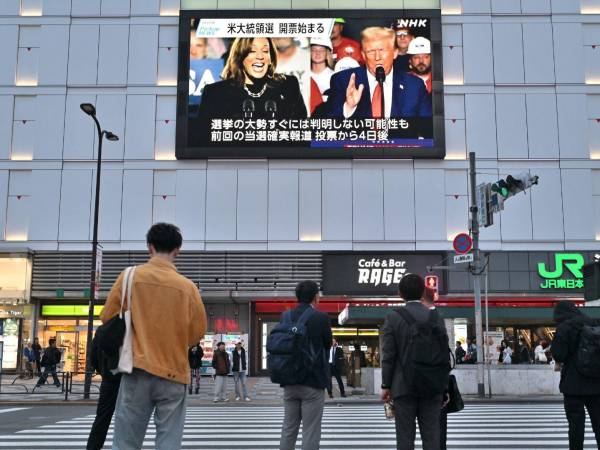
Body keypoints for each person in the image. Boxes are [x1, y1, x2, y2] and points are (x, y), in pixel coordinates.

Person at [100, 222, 207, 450]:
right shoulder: (188, 288)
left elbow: (107, 316)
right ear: (177, 250)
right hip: (174, 373)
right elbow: (197, 333)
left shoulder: (130, 277)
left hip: (137, 369)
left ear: (149, 247)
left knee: (126, 442)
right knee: (169, 443)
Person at [194, 37, 307, 146]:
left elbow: (301, 136)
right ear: (240, 57)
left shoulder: (288, 86)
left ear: (270, 58)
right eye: (252, 51)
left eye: (265, 51)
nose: (260, 56)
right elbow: (204, 141)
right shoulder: (216, 93)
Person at [381, 274, 450, 450]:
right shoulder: (436, 317)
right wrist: (444, 386)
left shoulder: (393, 317)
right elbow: (443, 354)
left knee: (404, 438)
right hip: (432, 385)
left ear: (400, 294)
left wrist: (386, 385)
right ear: (422, 293)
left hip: (403, 386)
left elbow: (388, 354)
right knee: (432, 436)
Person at [324, 27, 431, 119]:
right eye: (371, 51)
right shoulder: (343, 81)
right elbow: (328, 125)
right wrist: (348, 107)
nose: (377, 57)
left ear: (395, 53)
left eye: (382, 50)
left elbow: (427, 129)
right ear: (363, 55)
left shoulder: (414, 85)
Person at [279, 280, 332, 450]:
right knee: (311, 431)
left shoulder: (285, 316)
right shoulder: (321, 317)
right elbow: (327, 345)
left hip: (289, 380)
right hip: (313, 382)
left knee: (288, 429)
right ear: (316, 297)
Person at [552, 301, 600, 450]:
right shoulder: (593, 323)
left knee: (575, 426)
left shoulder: (564, 328)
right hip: (596, 383)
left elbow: (559, 354)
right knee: (599, 424)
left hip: (573, 386)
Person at [86, 332, 121, 450]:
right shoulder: (129, 326)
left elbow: (93, 356)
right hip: (128, 380)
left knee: (102, 419)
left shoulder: (103, 330)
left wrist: (103, 371)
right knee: (127, 419)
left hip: (109, 380)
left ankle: (93, 447)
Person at [310, 37, 335, 114]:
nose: (317, 53)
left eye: (321, 50)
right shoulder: (303, 76)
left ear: (327, 53)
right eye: (314, 50)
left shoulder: (335, 77)